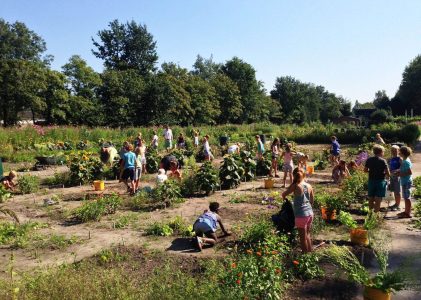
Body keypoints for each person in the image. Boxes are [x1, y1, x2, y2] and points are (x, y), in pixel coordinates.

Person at [282, 168, 314, 253]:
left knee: (302, 239)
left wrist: (287, 200)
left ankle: (305, 257)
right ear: (304, 175)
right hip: (310, 213)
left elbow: (284, 194)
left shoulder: (296, 185)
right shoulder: (309, 186)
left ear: (294, 175)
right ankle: (310, 254)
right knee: (307, 235)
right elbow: (311, 201)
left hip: (301, 215)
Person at [364, 145, 390, 212]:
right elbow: (387, 172)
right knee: (378, 198)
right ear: (381, 152)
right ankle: (376, 213)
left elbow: (365, 170)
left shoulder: (369, 160)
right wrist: (388, 176)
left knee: (371, 197)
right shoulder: (383, 161)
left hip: (371, 180)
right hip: (380, 181)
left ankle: (370, 213)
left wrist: (372, 171)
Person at [397, 146, 413, 218]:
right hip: (405, 181)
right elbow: (404, 169)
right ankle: (406, 211)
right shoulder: (405, 160)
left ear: (402, 153)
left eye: (399, 151)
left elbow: (409, 172)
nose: (398, 152)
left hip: (406, 181)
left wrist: (400, 174)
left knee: (407, 197)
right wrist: (398, 171)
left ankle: (408, 213)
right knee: (405, 197)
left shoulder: (406, 161)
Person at [386, 145, 401, 211]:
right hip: (392, 176)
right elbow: (389, 167)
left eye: (395, 150)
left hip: (397, 176)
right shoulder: (391, 159)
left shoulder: (400, 159)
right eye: (392, 150)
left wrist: (397, 170)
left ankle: (398, 205)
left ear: (398, 151)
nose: (394, 152)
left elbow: (402, 167)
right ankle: (396, 204)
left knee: (397, 191)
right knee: (394, 191)